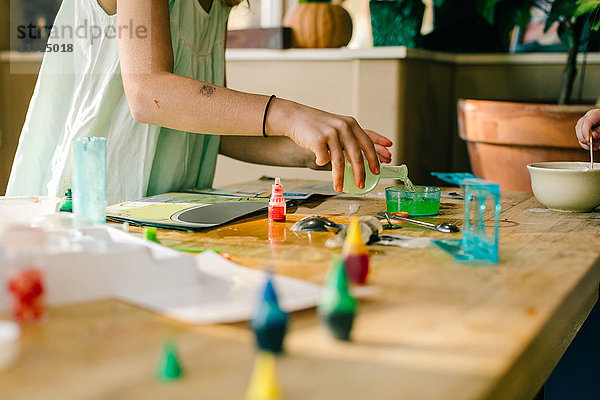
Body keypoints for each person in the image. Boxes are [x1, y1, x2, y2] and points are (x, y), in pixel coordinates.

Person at [6, 0, 393, 205]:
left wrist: (310, 151)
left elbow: (211, 126)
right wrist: (288, 114)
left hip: (165, 215)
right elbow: (148, 93)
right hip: (92, 211)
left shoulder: (219, 3)